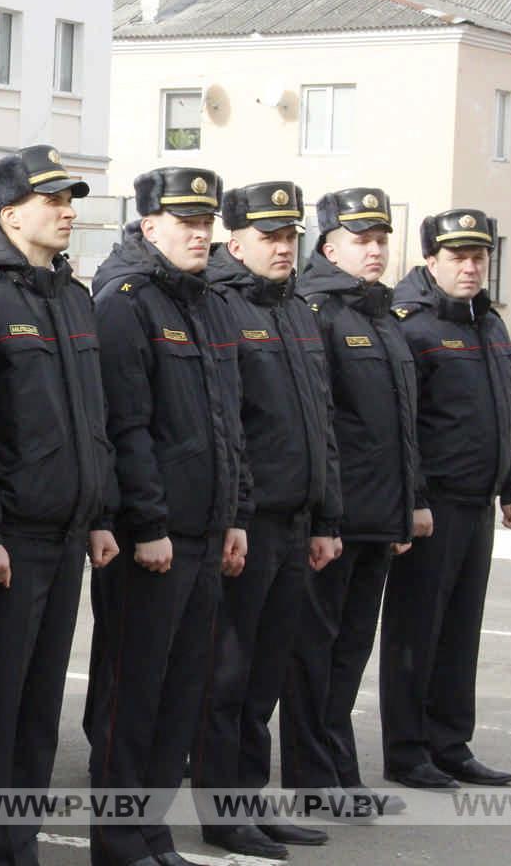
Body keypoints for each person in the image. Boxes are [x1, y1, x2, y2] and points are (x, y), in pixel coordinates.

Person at [0, 147, 119, 864]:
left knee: (37, 710)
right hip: (9, 537)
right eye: (53, 200)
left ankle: (18, 844)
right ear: (9, 211)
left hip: (67, 529)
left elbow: (92, 420)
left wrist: (101, 513)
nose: (68, 211)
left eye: (70, 198)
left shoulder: (69, 294)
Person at [85, 167, 249, 866]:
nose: (199, 233)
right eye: (184, 222)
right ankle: (120, 841)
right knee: (133, 698)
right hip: (152, 539)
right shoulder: (126, 303)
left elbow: (226, 423)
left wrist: (233, 513)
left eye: (206, 222)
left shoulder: (208, 303)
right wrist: (147, 525)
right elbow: (128, 427)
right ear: (148, 226)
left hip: (205, 533)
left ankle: (152, 834)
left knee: (181, 696)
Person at [195, 181, 342, 859]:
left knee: (265, 678)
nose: (285, 248)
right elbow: (225, 426)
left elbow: (321, 424)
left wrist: (325, 516)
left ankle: (251, 802)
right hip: (248, 526)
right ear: (235, 242)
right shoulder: (221, 307)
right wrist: (237, 517)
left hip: (294, 521)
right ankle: (224, 814)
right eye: (269, 237)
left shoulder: (296, 311)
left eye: (291, 237)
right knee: (227, 678)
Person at [281, 188, 420, 817]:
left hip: (375, 518)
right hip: (334, 520)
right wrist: (326, 516)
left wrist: (405, 507)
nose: (375, 250)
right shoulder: (318, 310)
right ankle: (313, 776)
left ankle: (338, 766)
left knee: (348, 651)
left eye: (382, 240)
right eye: (362, 240)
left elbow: (399, 426)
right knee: (314, 652)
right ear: (329, 246)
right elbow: (322, 427)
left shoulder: (380, 315)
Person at [380, 209, 511, 790]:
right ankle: (407, 749)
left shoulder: (489, 324)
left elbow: (507, 410)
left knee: (461, 629)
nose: (469, 268)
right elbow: (404, 427)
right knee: (417, 629)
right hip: (433, 506)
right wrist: (413, 499)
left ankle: (449, 741)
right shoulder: (412, 327)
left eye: (478, 257)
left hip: (479, 500)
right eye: (458, 258)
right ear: (431, 261)